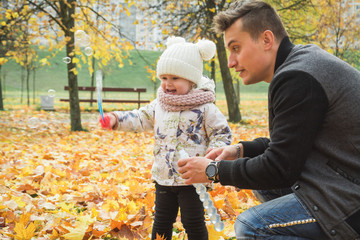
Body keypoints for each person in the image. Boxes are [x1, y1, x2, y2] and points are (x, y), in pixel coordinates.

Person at [177, 1, 360, 239]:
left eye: (236, 48)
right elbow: (288, 147)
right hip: (340, 182)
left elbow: (279, 169)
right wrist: (240, 150)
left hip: (351, 202)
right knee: (263, 184)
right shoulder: (301, 64)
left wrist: (213, 171)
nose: (231, 62)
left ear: (266, 40)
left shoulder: (298, 78)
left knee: (251, 226)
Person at [99, 36, 232, 240]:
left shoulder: (205, 108)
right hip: (163, 176)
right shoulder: (159, 105)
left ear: (191, 79)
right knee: (161, 220)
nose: (167, 84)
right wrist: (116, 119)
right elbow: (140, 118)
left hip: (192, 178)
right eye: (164, 78)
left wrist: (210, 158)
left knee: (193, 221)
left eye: (175, 78)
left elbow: (222, 134)